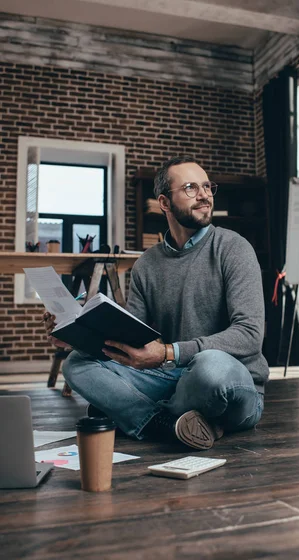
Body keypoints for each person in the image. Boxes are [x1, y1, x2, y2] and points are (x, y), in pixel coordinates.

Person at [44, 155, 269, 450]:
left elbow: (249, 335)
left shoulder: (234, 248)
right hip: (170, 378)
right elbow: (128, 335)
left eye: (206, 186)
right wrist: (78, 333)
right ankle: (165, 423)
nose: (203, 195)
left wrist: (168, 352)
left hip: (231, 382)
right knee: (77, 364)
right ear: (164, 203)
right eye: (190, 187)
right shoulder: (147, 264)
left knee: (210, 367)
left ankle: (134, 412)